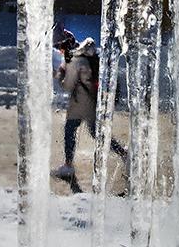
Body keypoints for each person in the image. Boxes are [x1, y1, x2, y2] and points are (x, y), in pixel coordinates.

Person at [50, 25, 128, 192]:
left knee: (71, 130)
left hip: (82, 103)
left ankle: (68, 166)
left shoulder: (75, 59)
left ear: (65, 45)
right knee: (95, 132)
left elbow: (67, 85)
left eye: (60, 47)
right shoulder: (86, 55)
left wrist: (59, 76)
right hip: (91, 101)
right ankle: (123, 153)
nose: (60, 51)